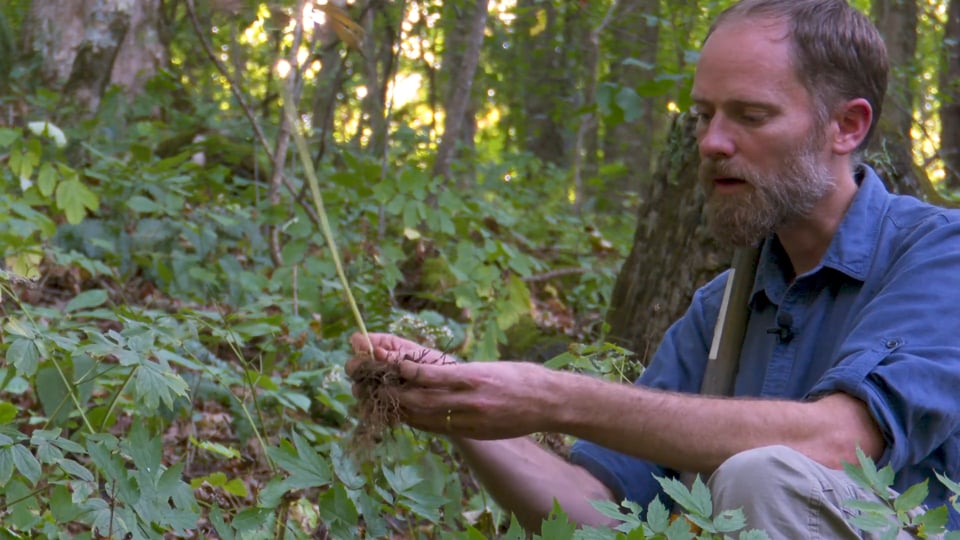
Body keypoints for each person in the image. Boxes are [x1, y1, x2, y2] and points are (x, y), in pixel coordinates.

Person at [348, 0, 960, 536]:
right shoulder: (720, 311)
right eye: (703, 115)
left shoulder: (939, 255)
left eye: (750, 115)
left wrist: (552, 395)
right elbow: (594, 514)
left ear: (846, 126)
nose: (711, 142)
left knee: (762, 475)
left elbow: (837, 442)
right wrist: (460, 400)